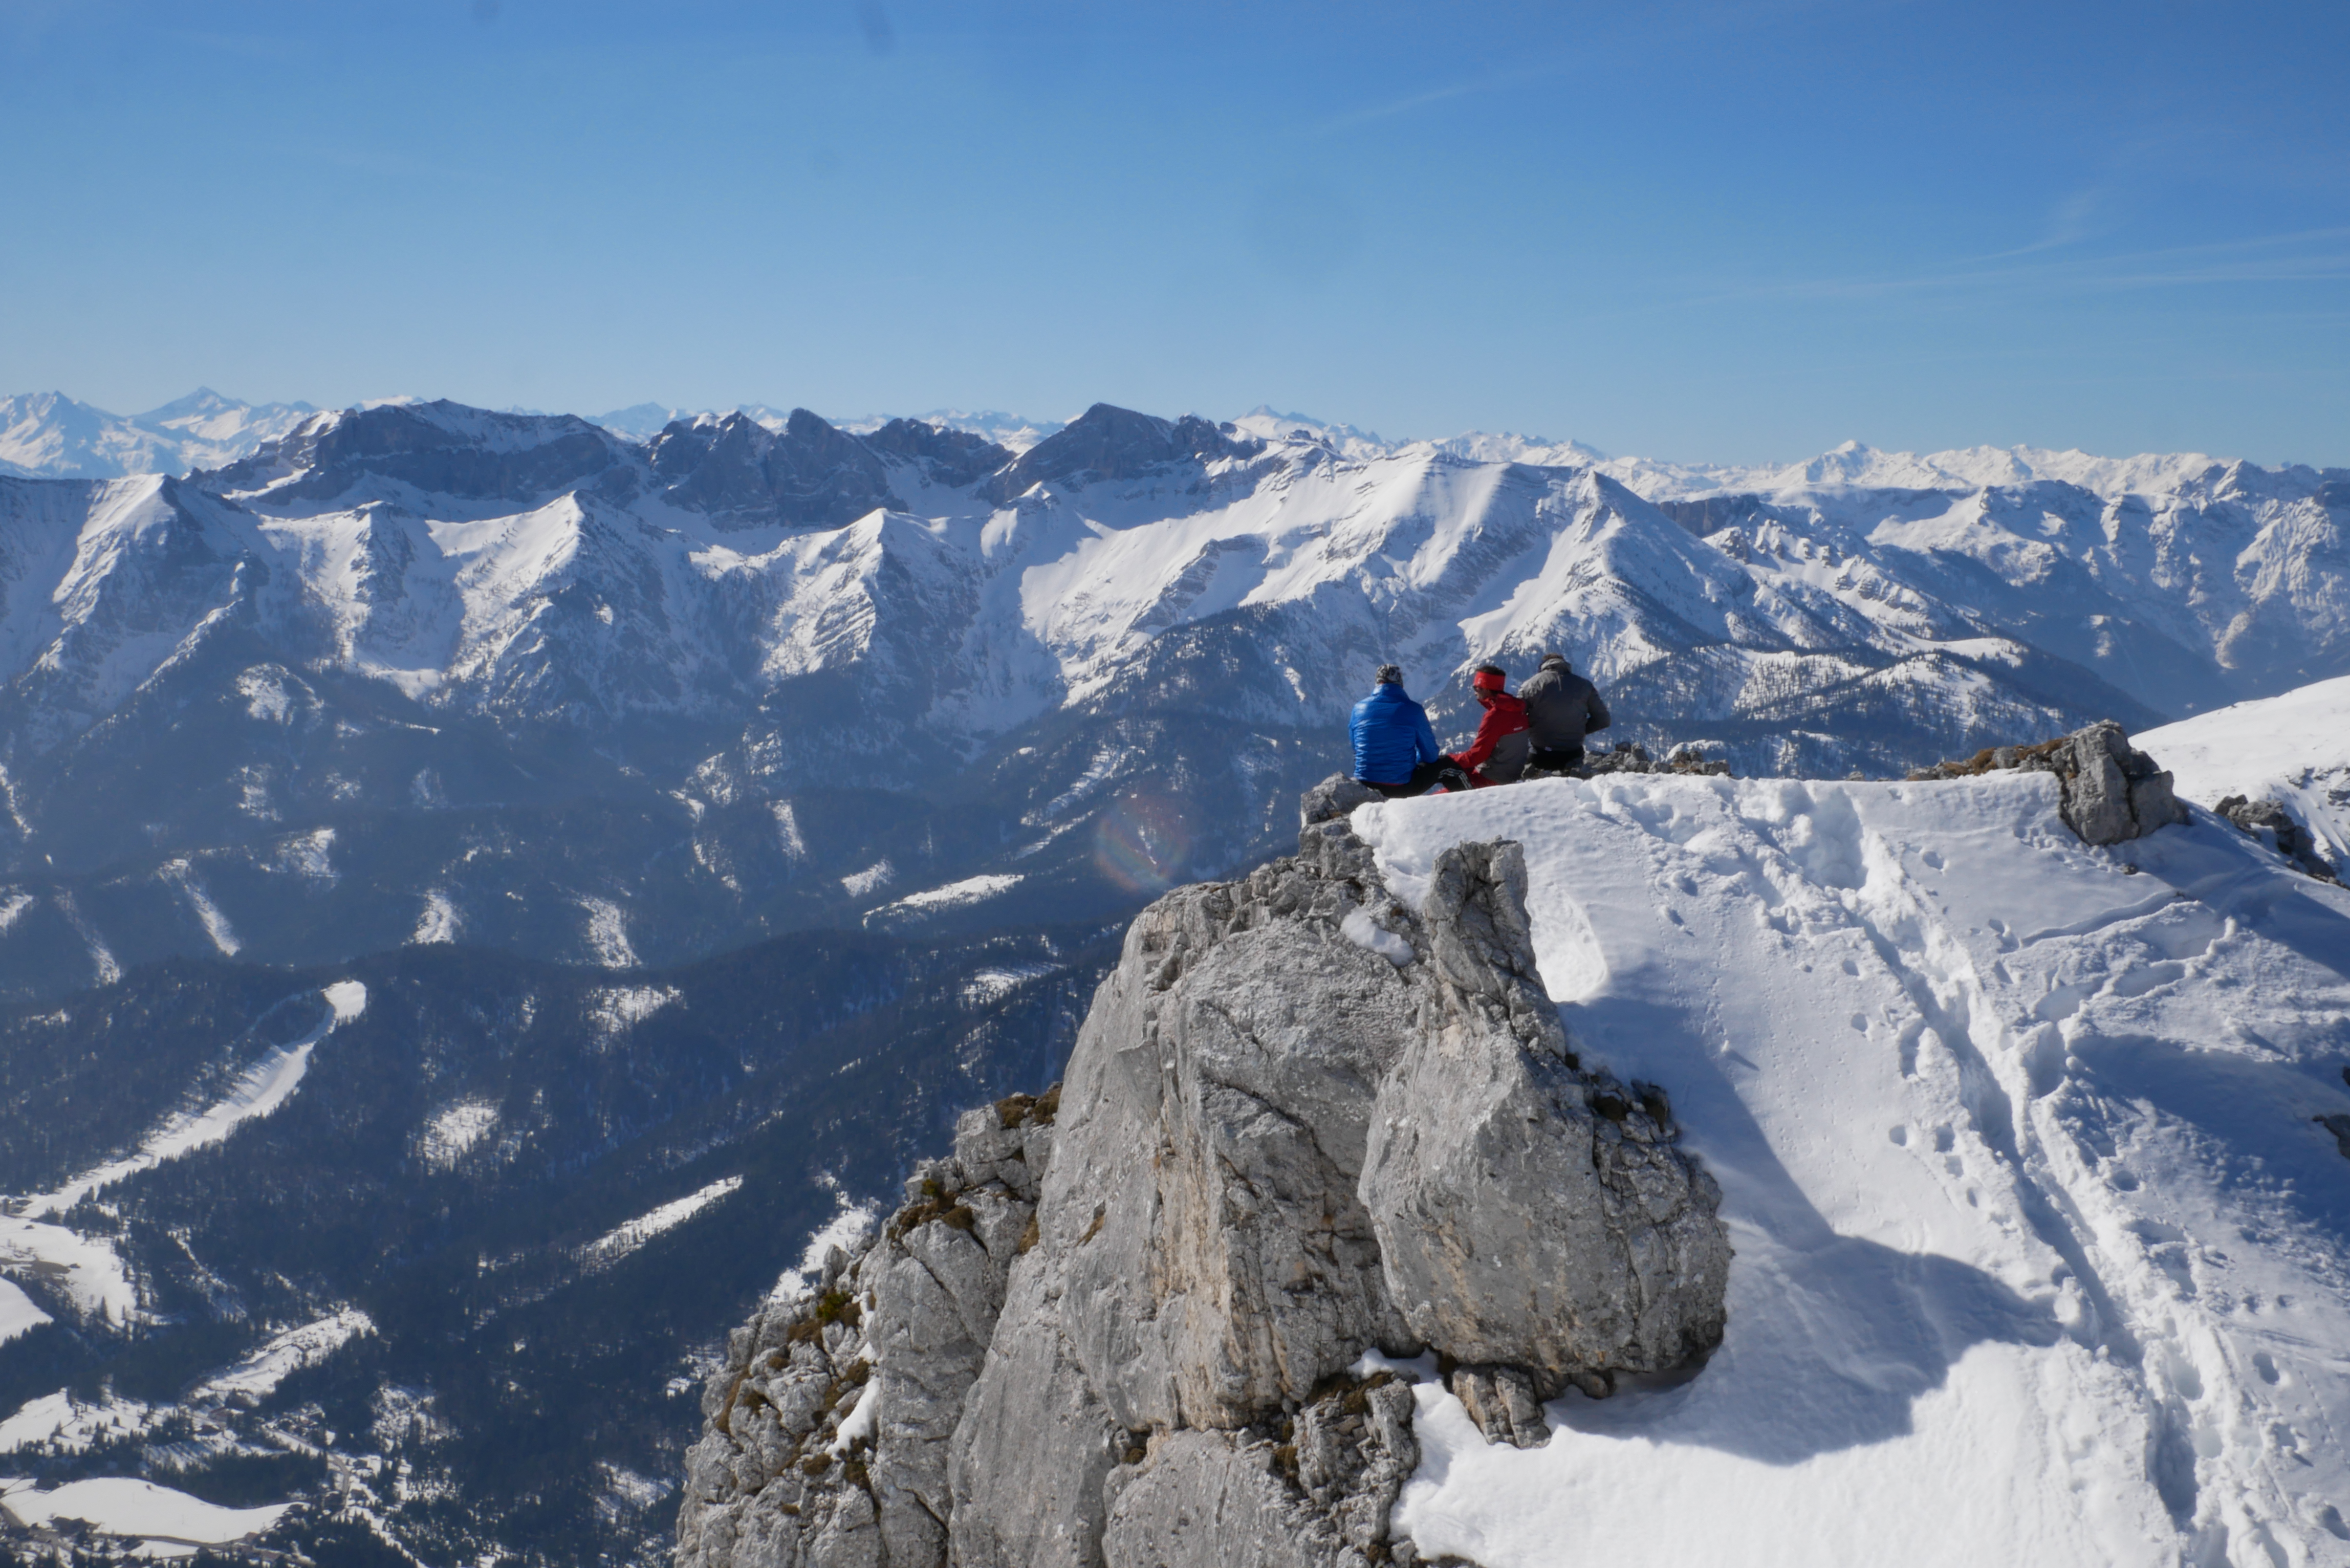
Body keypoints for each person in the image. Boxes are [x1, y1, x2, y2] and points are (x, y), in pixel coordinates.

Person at [1351, 664, 1472, 797]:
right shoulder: (1413, 710)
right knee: (1449, 767)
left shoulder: (1358, 709)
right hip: (1401, 786)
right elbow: (1430, 756)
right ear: (1400, 683)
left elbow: (1356, 747)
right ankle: (1472, 804)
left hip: (1365, 783)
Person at [1519, 650, 1610, 770]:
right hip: (1573, 754)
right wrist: (1579, 729)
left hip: (1540, 754)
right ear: (1565, 665)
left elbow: (1515, 718)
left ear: (1543, 666)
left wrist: (1532, 729)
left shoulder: (1530, 685)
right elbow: (1604, 720)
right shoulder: (1585, 685)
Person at [1451, 664, 1531, 786]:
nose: (1475, 693)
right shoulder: (1518, 709)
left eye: (1476, 688)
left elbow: (1476, 756)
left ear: (1485, 688)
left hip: (1491, 778)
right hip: (1513, 774)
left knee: (1438, 797)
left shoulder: (1495, 716)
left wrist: (1448, 760)